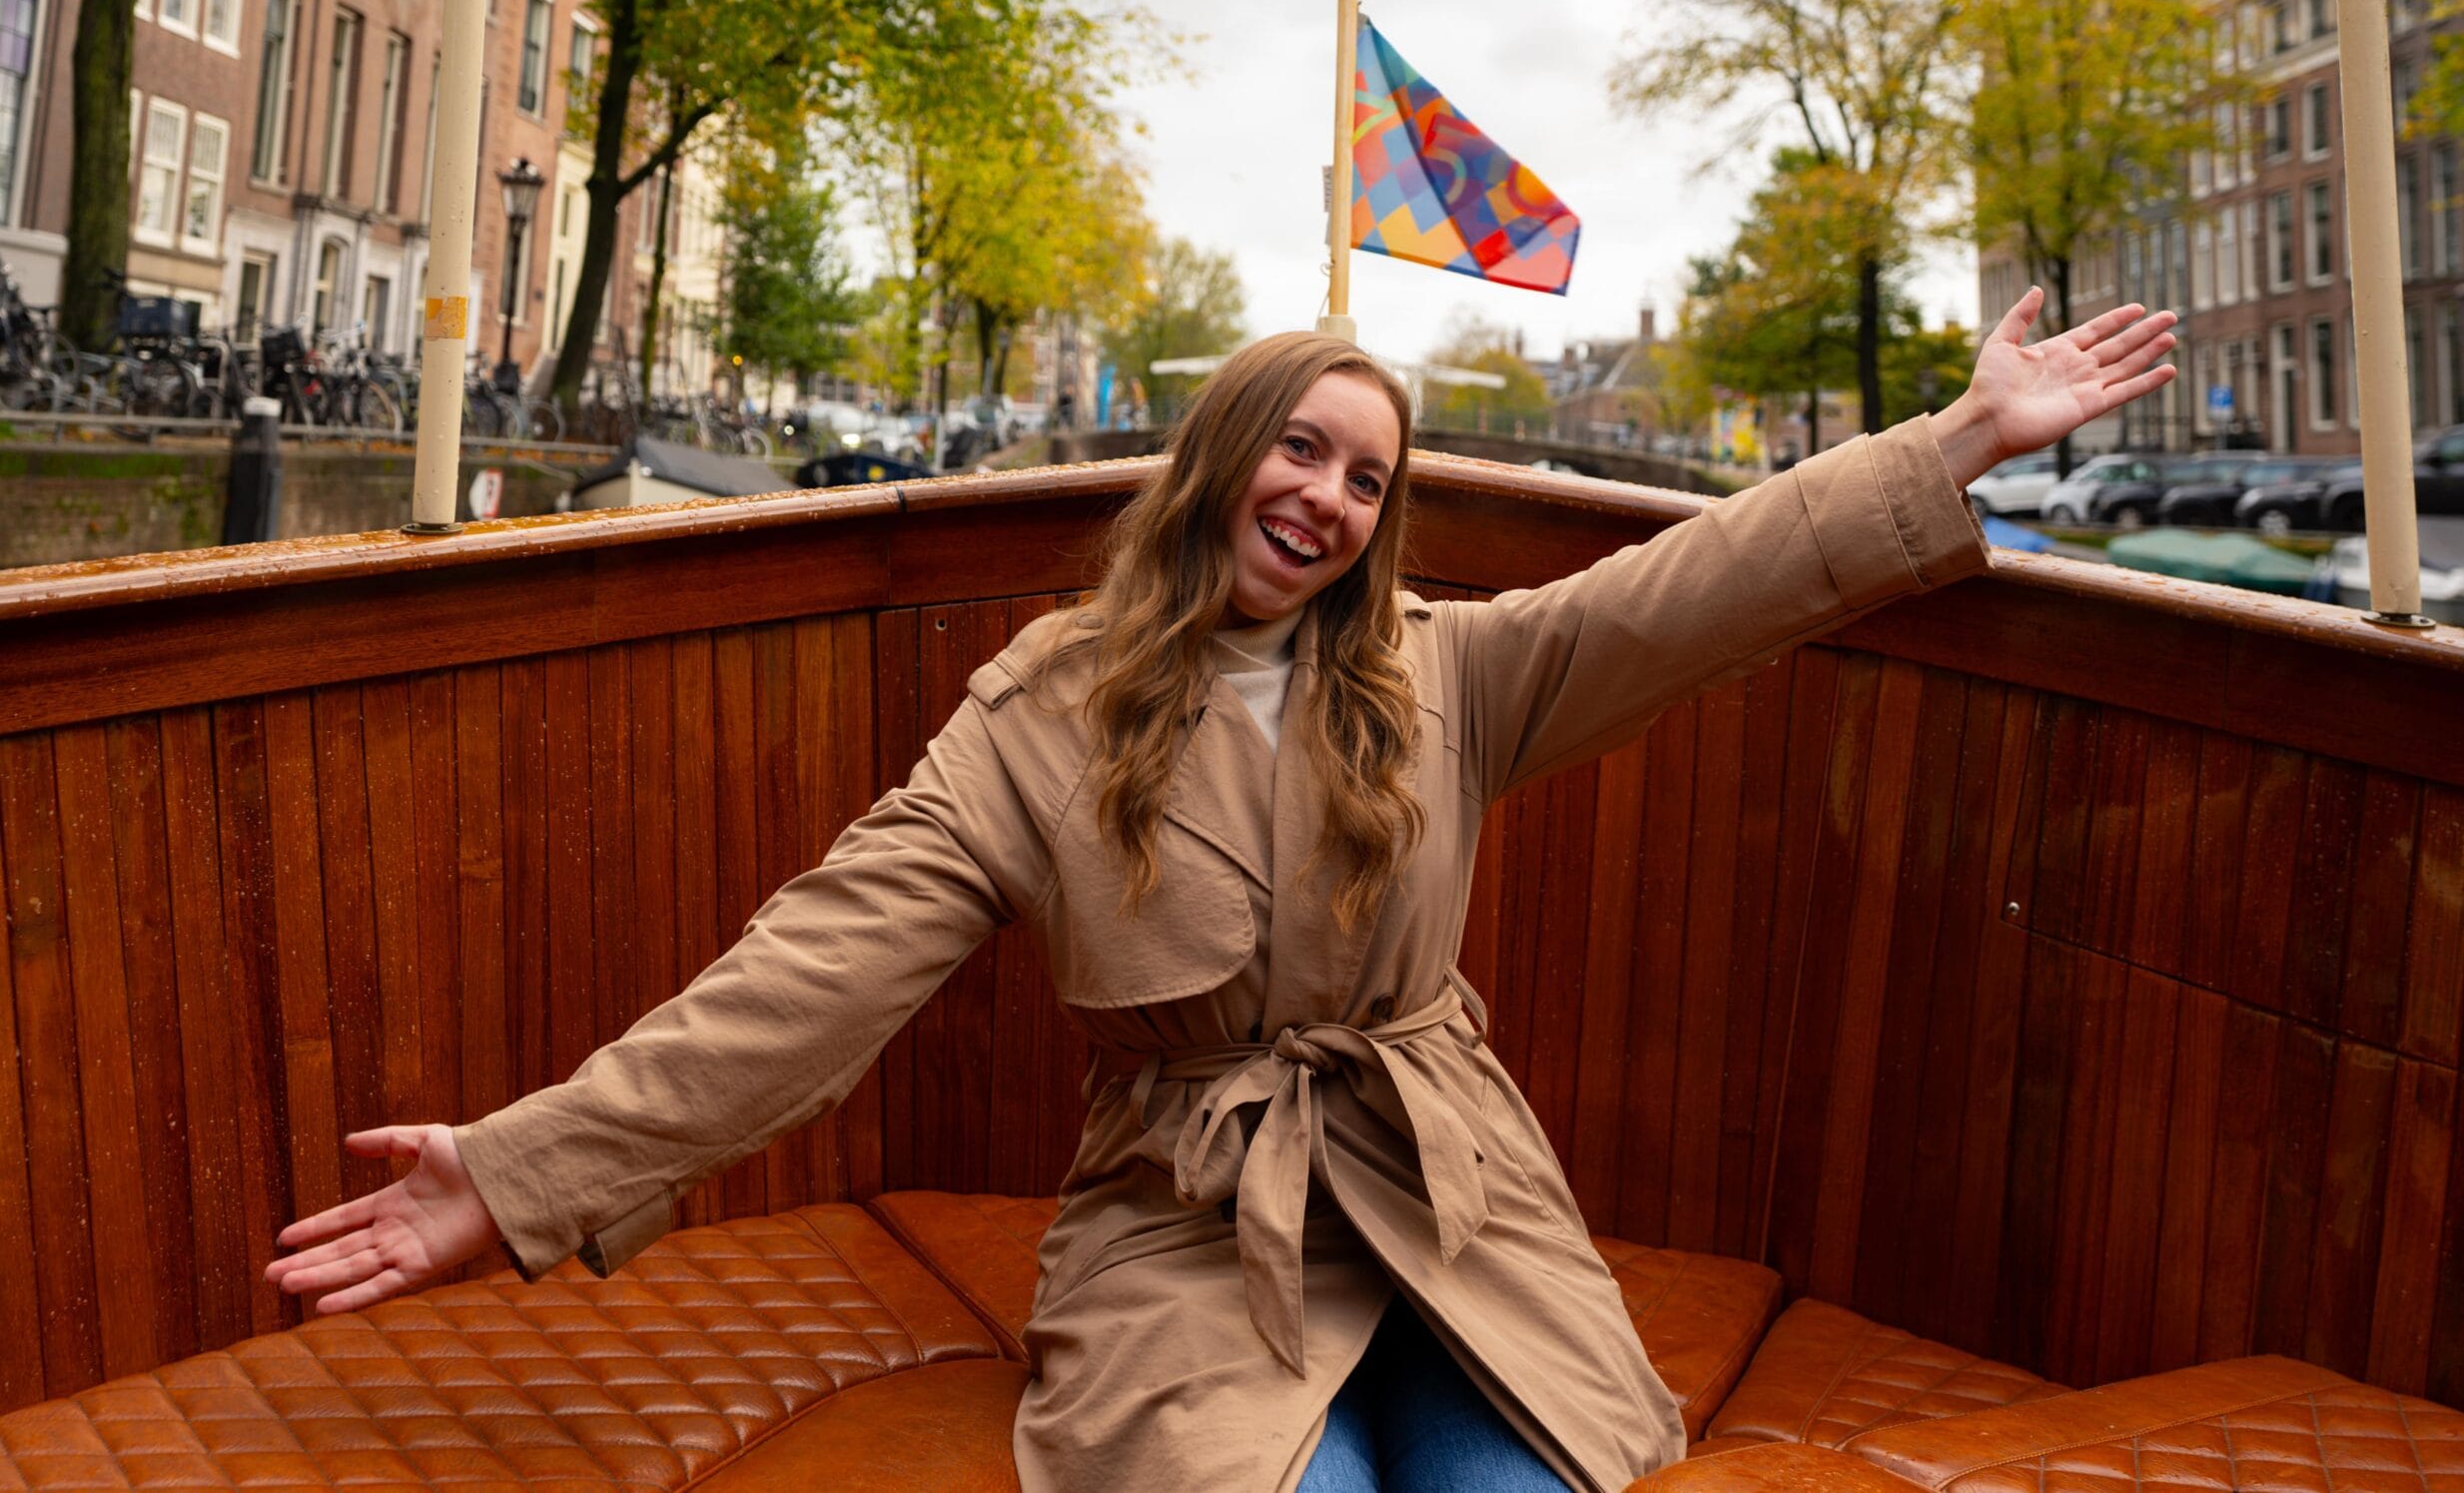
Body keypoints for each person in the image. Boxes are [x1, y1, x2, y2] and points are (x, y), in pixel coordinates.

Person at [269, 287, 2175, 1493]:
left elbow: (1703, 583)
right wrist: (523, 1178)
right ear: (1221, 453)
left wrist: (1960, 441)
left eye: (1367, 477)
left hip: (1455, 1204)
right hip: (1193, 1226)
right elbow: (806, 982)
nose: (1329, 497)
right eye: (1300, 444)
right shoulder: (1035, 723)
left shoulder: (1453, 672)